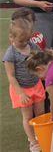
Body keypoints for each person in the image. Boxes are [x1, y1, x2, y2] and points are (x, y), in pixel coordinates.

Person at [3, 18, 44, 152]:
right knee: (27, 117)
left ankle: (40, 135)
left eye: (27, 39)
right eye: (21, 41)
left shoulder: (32, 45)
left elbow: (40, 58)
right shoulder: (10, 54)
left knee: (40, 113)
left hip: (36, 85)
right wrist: (20, 93)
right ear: (11, 37)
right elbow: (11, 76)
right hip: (21, 89)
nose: (25, 43)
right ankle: (33, 141)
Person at [11, 7, 51, 113]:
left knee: (45, 99)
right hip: (28, 79)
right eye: (24, 21)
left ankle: (45, 119)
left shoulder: (38, 35)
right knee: (30, 107)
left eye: (30, 21)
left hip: (41, 74)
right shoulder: (19, 40)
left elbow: (43, 51)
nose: (27, 24)